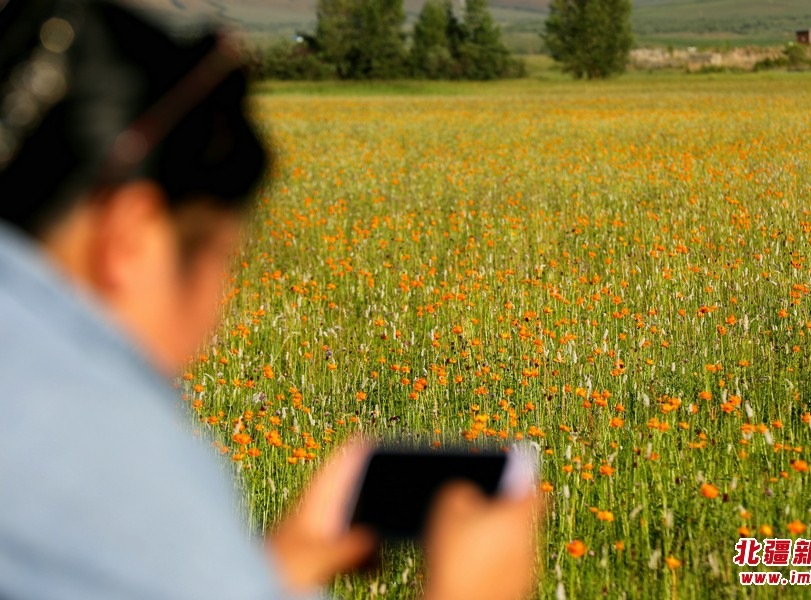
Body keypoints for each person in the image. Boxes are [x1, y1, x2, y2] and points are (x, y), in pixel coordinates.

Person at [0, 1, 542, 598]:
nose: (215, 317)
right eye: (223, 261)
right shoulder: (105, 453)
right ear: (128, 241)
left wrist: (272, 575)